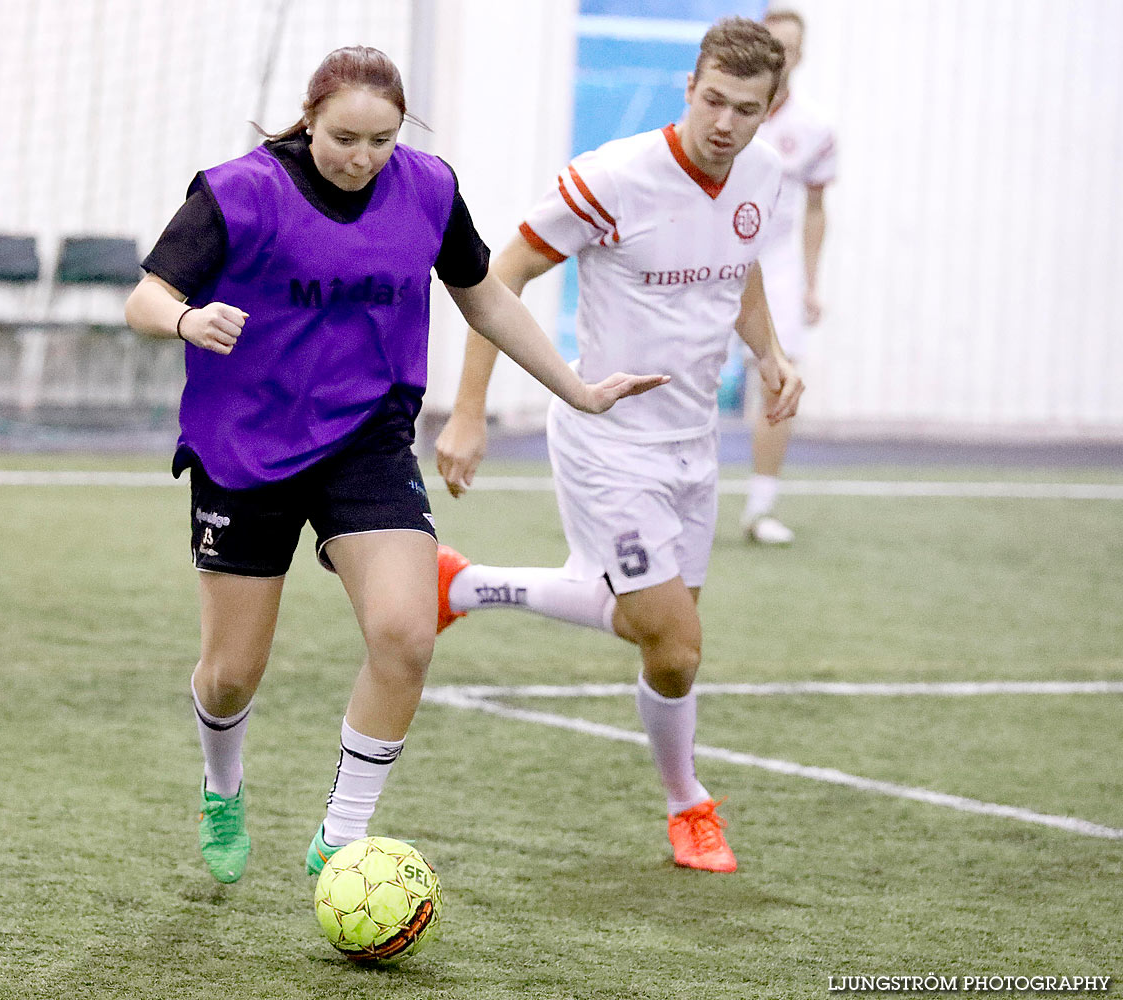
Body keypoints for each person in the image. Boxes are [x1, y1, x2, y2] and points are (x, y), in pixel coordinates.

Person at [124, 45, 666, 884]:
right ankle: (222, 787)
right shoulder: (239, 192)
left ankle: (341, 841)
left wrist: (578, 390)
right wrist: (187, 320)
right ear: (310, 121)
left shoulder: (428, 188)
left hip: (366, 438)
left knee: (406, 634)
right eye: (344, 138)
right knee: (231, 676)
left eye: (381, 140)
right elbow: (146, 295)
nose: (362, 158)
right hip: (246, 445)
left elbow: (483, 295)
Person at [433, 17, 802, 872]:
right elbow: (497, 277)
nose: (724, 122)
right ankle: (689, 807)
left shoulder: (766, 173)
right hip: (608, 442)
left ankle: (466, 584)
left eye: (745, 108)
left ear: (768, 110)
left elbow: (736, 266)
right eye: (712, 99)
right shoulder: (612, 178)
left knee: (663, 645)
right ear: (690, 89)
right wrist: (469, 410)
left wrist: (770, 352)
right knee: (675, 644)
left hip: (692, 445)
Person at [739, 8, 838, 545]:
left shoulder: (815, 129)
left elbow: (817, 208)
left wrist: (810, 282)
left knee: (780, 377)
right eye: (773, 45)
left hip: (774, 264)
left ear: (801, 55)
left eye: (792, 48)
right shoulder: (727, 112)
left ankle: (759, 508)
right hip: (714, 258)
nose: (783, 56)